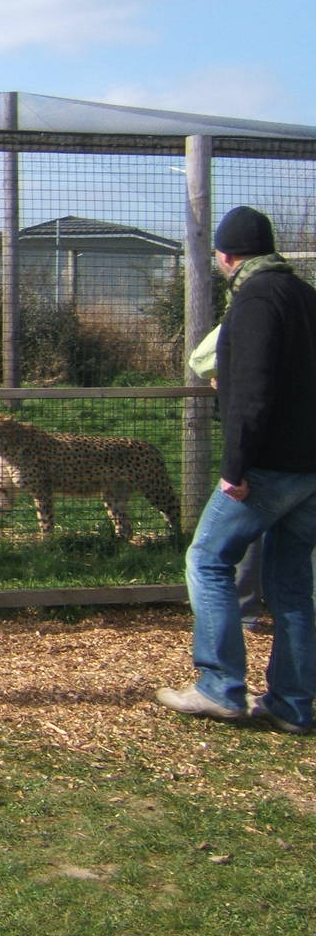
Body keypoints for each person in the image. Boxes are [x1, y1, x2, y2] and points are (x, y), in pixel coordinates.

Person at [156, 206, 316, 735]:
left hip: (267, 466)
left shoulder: (252, 303)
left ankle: (219, 686)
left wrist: (235, 467)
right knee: (291, 585)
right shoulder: (306, 297)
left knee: (207, 559)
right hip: (311, 471)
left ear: (225, 256)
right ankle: (292, 704)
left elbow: (250, 393)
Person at [186, 324, 263, 628]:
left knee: (208, 555)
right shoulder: (306, 306)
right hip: (302, 450)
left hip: (260, 444)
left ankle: (243, 616)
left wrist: (227, 374)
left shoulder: (249, 308)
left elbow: (201, 360)